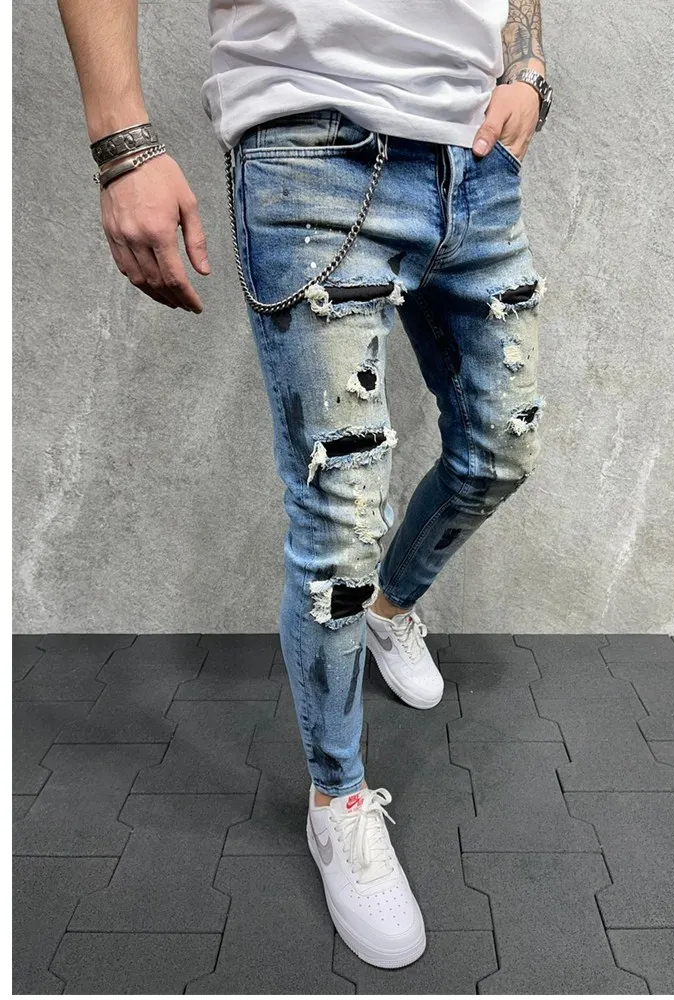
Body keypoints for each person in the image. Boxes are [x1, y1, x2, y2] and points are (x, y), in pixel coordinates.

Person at [57, 0, 552, 969]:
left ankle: (392, 612)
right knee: (340, 519)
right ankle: (338, 800)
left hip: (476, 157)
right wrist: (123, 144)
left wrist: (527, 70)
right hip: (312, 150)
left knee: (501, 450)